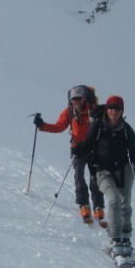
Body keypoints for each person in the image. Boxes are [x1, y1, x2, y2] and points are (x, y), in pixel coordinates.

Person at [74, 95, 135, 257]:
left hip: (123, 169)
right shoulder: (97, 126)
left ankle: (126, 238)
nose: (113, 112)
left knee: (125, 203)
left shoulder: (126, 129)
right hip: (101, 170)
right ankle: (115, 238)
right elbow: (88, 144)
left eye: (117, 109)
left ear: (122, 111)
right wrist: (79, 149)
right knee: (114, 200)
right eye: (111, 108)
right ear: (106, 109)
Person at [34, 85, 106, 226]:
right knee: (78, 176)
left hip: (92, 148)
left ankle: (98, 207)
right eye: (73, 99)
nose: (76, 101)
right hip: (77, 148)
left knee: (95, 177)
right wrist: (42, 125)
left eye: (78, 98)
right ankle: (84, 205)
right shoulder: (69, 111)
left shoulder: (93, 110)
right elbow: (59, 126)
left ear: (84, 98)